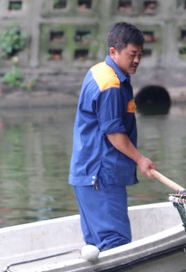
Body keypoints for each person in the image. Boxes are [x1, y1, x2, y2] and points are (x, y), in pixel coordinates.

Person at [69, 22, 156, 253]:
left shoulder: (98, 71)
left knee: (95, 246)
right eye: (132, 54)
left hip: (85, 175)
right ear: (113, 52)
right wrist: (140, 159)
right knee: (115, 244)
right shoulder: (110, 84)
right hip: (101, 176)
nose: (137, 60)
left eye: (140, 54)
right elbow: (114, 133)